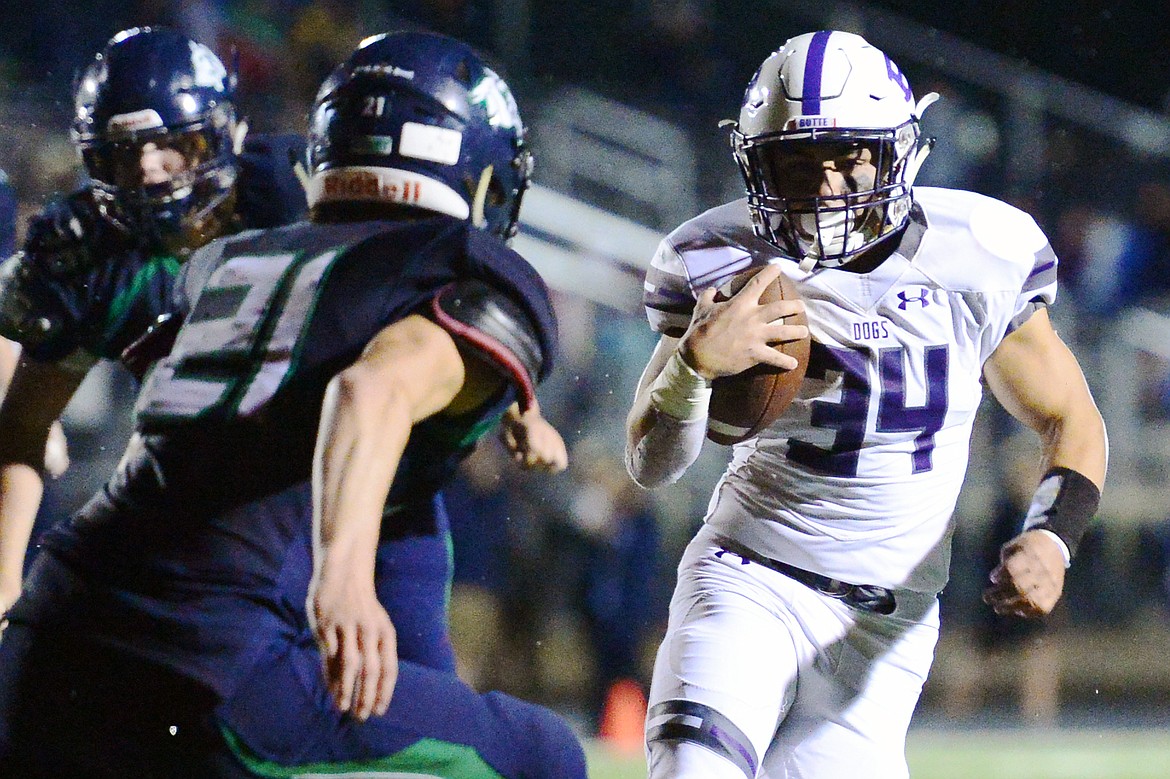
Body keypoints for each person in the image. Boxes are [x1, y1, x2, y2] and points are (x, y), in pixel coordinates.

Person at [0, 30, 585, 778]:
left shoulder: (232, 256)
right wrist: (340, 581)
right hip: (212, 654)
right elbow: (368, 386)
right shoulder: (465, 270)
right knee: (544, 753)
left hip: (54, 630)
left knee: (410, 603)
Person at [624, 30, 1107, 778]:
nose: (825, 186)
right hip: (751, 577)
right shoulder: (725, 263)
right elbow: (651, 461)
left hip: (889, 628)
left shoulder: (976, 254)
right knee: (695, 767)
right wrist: (693, 364)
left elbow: (1071, 419)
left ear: (896, 152)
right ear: (757, 162)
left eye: (847, 156)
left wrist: (1052, 536)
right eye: (797, 159)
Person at [0, 26, 308, 615]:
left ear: (221, 135)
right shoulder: (94, 258)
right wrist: (4, 577)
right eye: (122, 152)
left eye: (172, 145)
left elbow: (410, 291)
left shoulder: (294, 197)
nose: (148, 170)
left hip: (342, 482)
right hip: (200, 509)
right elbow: (22, 427)